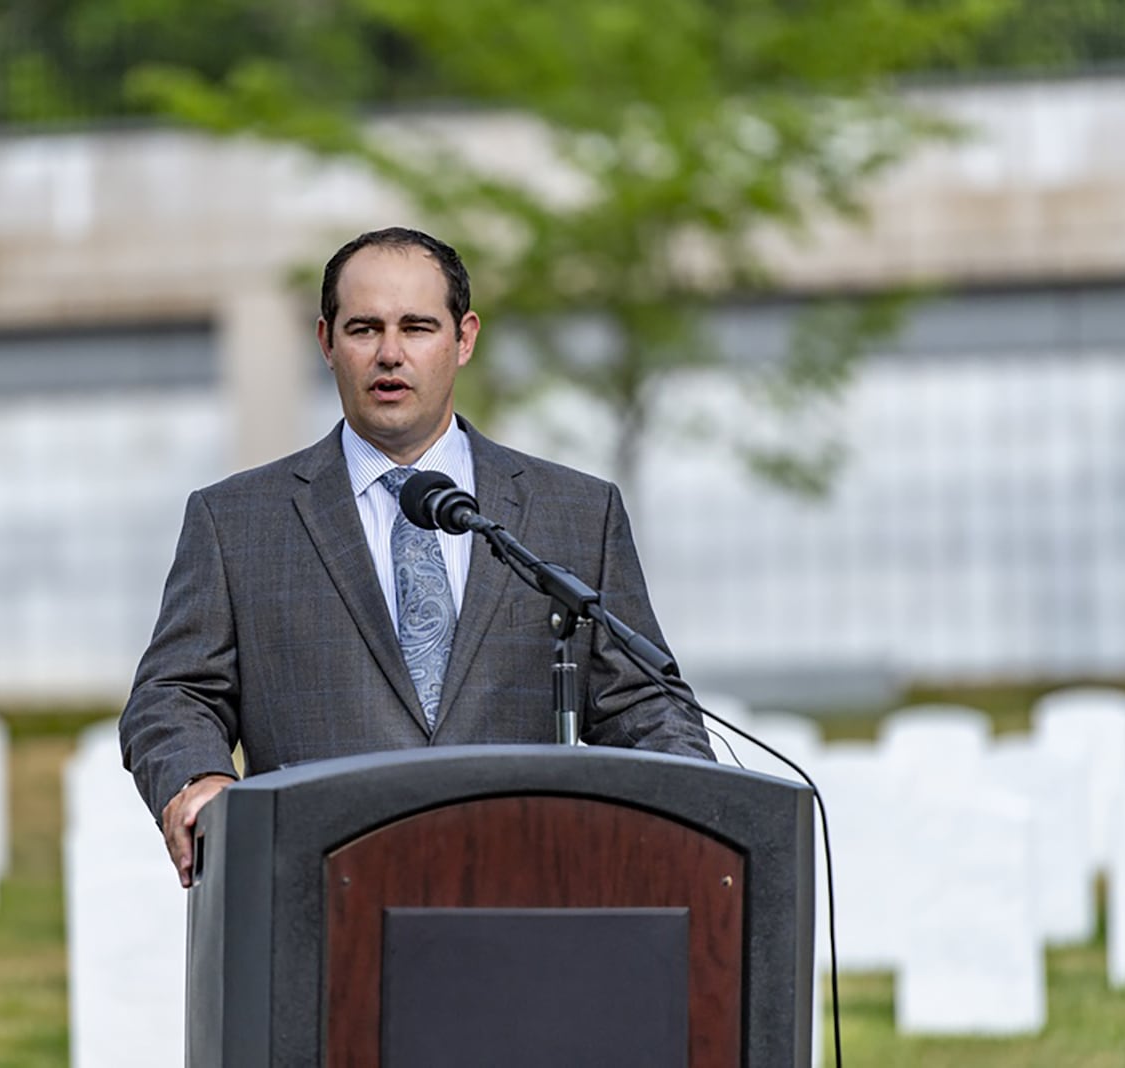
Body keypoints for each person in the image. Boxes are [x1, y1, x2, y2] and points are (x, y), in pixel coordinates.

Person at [120, 226, 714, 885]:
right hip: (317, 891)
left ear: (464, 339)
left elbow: (641, 703)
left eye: (419, 327)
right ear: (326, 342)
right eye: (365, 328)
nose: (391, 354)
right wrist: (198, 780)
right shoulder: (237, 520)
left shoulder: (574, 512)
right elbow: (173, 692)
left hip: (528, 893)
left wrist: (707, 811)